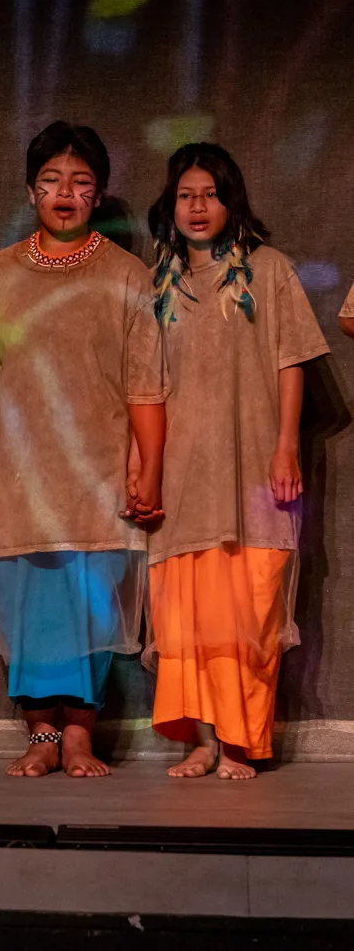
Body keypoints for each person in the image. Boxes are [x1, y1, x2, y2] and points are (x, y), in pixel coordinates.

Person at [0, 121, 166, 778]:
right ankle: (41, 735)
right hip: (15, 476)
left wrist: (147, 467)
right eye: (52, 180)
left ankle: (79, 735)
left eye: (79, 181)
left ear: (98, 193)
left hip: (96, 473)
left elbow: (145, 385)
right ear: (31, 191)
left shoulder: (128, 274)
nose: (65, 192)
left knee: (87, 609)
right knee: (27, 610)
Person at [145, 144, 328, 779]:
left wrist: (284, 447)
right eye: (187, 195)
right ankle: (201, 740)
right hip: (183, 472)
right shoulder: (159, 281)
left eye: (211, 195)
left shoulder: (268, 269)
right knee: (188, 610)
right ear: (171, 204)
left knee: (248, 605)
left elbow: (291, 361)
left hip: (252, 467)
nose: (198, 207)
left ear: (232, 201)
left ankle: (238, 743)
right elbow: (143, 388)